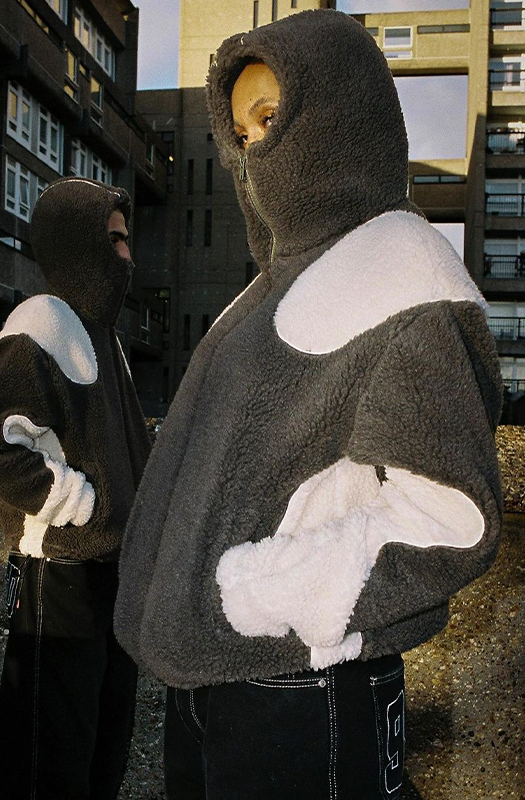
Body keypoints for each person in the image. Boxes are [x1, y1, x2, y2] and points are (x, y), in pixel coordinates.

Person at [114, 10, 503, 800]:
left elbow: (454, 516)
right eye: (242, 134)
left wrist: (271, 594)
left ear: (339, 112)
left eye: (271, 118)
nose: (255, 150)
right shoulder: (262, 294)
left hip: (302, 683)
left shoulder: (401, 269)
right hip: (214, 680)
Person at [0, 177, 151, 800]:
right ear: (77, 243)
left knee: (103, 752)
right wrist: (75, 503)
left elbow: (129, 447)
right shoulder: (41, 321)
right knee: (50, 759)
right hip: (60, 573)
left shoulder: (107, 338)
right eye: (114, 241)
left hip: (112, 574)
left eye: (126, 240)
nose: (127, 256)